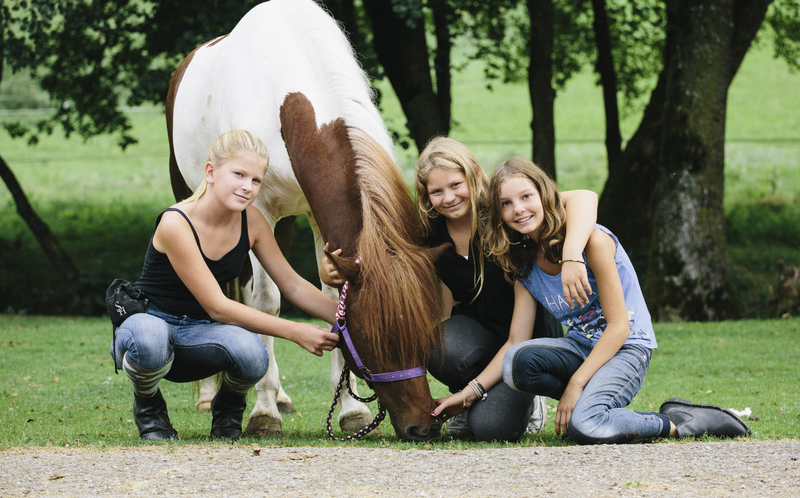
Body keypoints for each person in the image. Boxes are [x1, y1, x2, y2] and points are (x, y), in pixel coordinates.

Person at [431, 156, 750, 444]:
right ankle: (589, 405)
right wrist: (469, 393)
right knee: (518, 361)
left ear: (545, 196)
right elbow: (516, 340)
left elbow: (619, 327)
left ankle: (680, 421)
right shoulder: (523, 263)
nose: (519, 209)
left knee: (585, 427)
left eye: (527, 197)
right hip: (580, 347)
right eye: (506, 203)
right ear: (498, 213)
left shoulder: (592, 242)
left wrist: (575, 385)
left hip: (626, 348)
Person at [321, 137, 597, 441]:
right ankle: (471, 395)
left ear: (475, 175)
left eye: (455, 185)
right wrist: (331, 268)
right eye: (436, 191)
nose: (448, 197)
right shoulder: (428, 232)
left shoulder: (502, 213)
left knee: (491, 430)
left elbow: (584, 197)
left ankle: (528, 399)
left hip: (526, 341)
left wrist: (572, 256)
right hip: (477, 335)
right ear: (426, 195)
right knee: (436, 346)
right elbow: (383, 258)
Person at [111, 130, 340, 441]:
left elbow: (294, 285)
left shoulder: (253, 221)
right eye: (239, 174)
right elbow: (217, 306)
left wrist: (349, 318)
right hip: (149, 323)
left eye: (256, 180)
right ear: (210, 172)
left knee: (254, 354)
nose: (247, 187)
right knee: (151, 340)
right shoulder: (176, 223)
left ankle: (229, 407)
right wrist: (295, 331)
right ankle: (148, 404)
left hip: (199, 334)